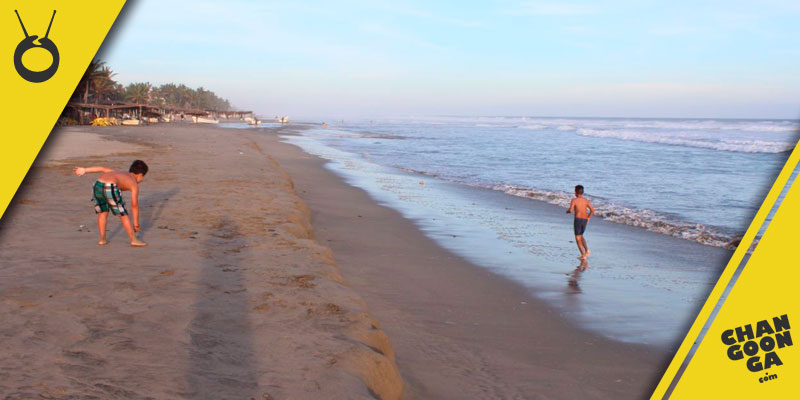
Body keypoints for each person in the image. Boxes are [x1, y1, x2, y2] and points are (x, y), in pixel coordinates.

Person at [73, 160, 149, 247]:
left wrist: (85, 170)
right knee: (123, 214)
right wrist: (136, 224)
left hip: (97, 184)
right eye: (143, 177)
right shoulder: (134, 183)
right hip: (110, 185)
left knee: (103, 212)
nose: (142, 180)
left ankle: (102, 240)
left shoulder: (117, 172)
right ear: (140, 174)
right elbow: (134, 205)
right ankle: (134, 240)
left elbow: (102, 168)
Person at [566, 184, 594, 260]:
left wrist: (568, 211)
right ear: (582, 192)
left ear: (575, 192)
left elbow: (571, 210)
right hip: (585, 220)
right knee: (581, 235)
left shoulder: (574, 200)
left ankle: (583, 255)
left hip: (578, 220)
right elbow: (592, 210)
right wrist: (588, 218)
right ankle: (587, 250)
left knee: (577, 238)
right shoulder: (586, 201)